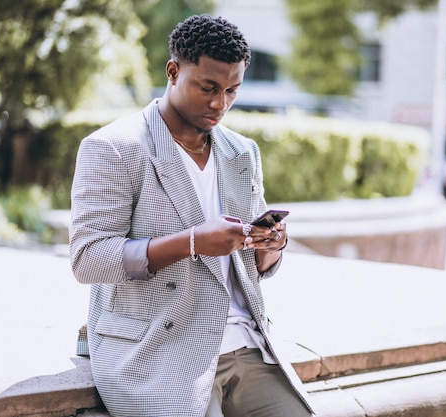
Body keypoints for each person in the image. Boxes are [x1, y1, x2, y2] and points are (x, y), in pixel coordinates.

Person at [69, 14, 314, 417]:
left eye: (232, 91)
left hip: (248, 348)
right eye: (209, 88)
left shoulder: (242, 152)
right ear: (172, 71)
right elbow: (88, 259)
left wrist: (269, 247)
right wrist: (194, 242)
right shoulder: (114, 148)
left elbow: (251, 262)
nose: (221, 104)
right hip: (160, 352)